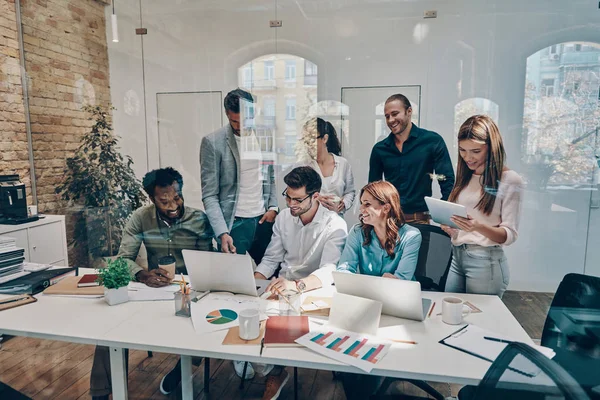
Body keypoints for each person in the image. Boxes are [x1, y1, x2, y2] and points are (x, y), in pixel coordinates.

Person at [90, 167, 213, 400]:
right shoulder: (140, 217)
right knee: (110, 327)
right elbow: (124, 259)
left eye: (176, 197)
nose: (172, 206)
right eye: (164, 201)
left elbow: (208, 263)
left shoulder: (199, 219)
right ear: (152, 198)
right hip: (153, 287)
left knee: (205, 320)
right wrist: (142, 274)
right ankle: (100, 392)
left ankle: (180, 370)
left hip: (190, 288)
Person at [252, 166, 348, 400]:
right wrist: (254, 281)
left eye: (297, 199)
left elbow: (329, 271)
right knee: (249, 324)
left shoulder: (335, 225)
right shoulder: (285, 218)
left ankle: (275, 368)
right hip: (282, 284)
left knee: (289, 330)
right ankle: (273, 371)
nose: (290, 204)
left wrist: (296, 286)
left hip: (314, 290)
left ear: (315, 196)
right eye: (287, 196)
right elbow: (272, 258)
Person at [368, 93, 455, 276]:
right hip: (389, 223)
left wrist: (444, 218)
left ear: (409, 112)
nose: (391, 120)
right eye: (387, 116)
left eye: (395, 113)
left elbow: (447, 182)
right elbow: (373, 190)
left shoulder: (432, 141)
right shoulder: (379, 150)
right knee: (386, 275)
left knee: (415, 277)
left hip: (419, 223)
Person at [441, 115, 523, 298]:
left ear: (491, 148)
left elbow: (509, 235)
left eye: (475, 151)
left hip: (486, 262)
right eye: (462, 150)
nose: (468, 157)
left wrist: (478, 226)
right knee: (448, 315)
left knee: (481, 321)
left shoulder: (510, 180)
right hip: (457, 256)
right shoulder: (466, 176)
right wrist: (452, 227)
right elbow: (466, 222)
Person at [200, 88, 279, 264]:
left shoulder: (265, 135)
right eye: (234, 121)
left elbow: (269, 176)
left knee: (270, 275)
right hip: (234, 223)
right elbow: (209, 195)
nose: (240, 126)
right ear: (227, 114)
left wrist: (273, 206)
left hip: (263, 220)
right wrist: (222, 232)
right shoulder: (212, 142)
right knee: (232, 281)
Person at [337, 181, 422, 280]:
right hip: (367, 293)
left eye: (367, 204)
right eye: (361, 203)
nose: (361, 209)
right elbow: (344, 270)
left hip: (399, 293)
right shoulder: (357, 232)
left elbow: (402, 279)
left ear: (386, 208)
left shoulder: (411, 236)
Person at [296, 117, 356, 214]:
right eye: (305, 140)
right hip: (311, 221)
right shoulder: (303, 167)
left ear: (325, 138)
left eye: (312, 139)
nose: (308, 144)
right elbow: (296, 196)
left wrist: (344, 203)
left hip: (336, 220)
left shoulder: (343, 164)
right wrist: (315, 198)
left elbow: (350, 192)